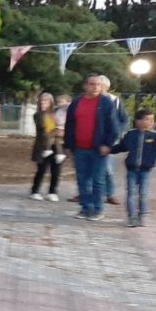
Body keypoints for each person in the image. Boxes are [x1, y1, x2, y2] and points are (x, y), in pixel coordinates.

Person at [63, 73, 119, 221]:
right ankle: (85, 208)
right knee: (82, 180)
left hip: (98, 149)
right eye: (92, 84)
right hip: (79, 148)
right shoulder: (76, 102)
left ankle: (98, 209)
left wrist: (107, 144)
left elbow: (113, 127)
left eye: (98, 85)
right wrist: (67, 145)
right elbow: (69, 125)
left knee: (98, 180)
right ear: (85, 86)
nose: (95, 87)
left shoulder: (105, 102)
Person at [111, 109, 156, 227]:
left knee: (143, 194)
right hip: (131, 169)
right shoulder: (130, 135)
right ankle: (131, 217)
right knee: (131, 193)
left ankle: (141, 216)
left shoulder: (154, 136)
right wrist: (109, 150)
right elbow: (121, 147)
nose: (151, 122)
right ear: (138, 121)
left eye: (152, 120)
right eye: (148, 120)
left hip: (145, 170)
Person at [98, 75, 128, 206]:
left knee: (107, 168)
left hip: (107, 140)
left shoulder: (114, 100)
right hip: (91, 138)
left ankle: (109, 194)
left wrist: (117, 132)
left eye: (99, 85)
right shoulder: (89, 99)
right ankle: (85, 192)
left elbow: (124, 119)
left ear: (106, 87)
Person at [29, 92, 60, 201]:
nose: (43, 102)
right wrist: (55, 132)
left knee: (56, 170)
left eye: (46, 101)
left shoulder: (55, 114)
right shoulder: (37, 115)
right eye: (41, 100)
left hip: (56, 145)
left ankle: (52, 192)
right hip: (43, 146)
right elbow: (42, 131)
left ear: (51, 102)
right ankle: (35, 191)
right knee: (41, 169)